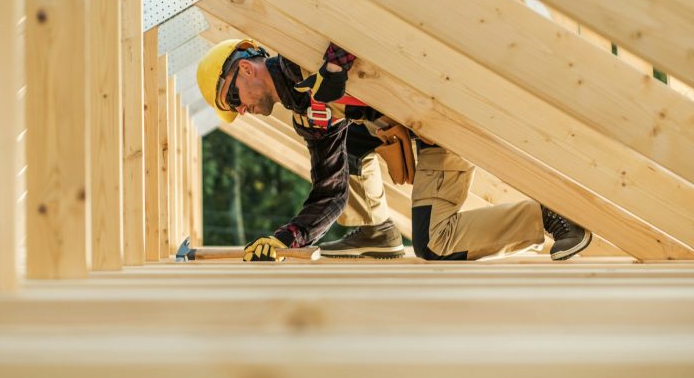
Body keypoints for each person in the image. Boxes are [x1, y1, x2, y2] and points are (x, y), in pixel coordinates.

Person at [196, 38, 592, 262]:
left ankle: (547, 218)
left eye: (232, 99)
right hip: (419, 135)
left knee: (434, 244)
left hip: (441, 120)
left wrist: (335, 67)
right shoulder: (307, 113)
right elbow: (330, 191)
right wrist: (287, 239)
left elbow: (354, 1)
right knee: (347, 139)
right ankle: (376, 230)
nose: (241, 110)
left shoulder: (301, 42)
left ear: (245, 69)